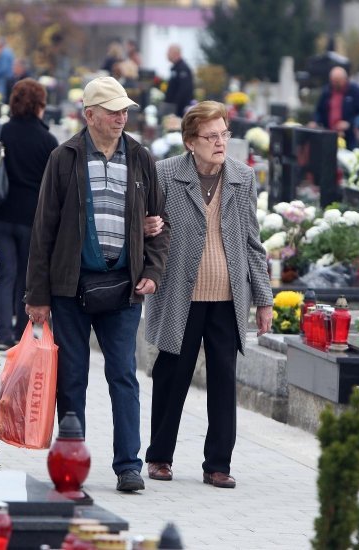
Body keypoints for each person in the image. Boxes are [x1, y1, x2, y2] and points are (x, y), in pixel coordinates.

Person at [24, 76, 170, 492]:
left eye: (125, 111)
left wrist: (152, 273)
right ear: (90, 115)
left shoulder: (140, 158)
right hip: (70, 289)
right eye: (113, 111)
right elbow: (43, 231)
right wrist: (37, 296)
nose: (122, 117)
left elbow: (161, 226)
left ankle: (128, 466)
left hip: (124, 289)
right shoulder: (64, 157)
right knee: (72, 377)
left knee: (124, 375)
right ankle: (72, 462)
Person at [144, 101, 273, 490]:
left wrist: (264, 299)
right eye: (211, 137)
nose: (220, 143)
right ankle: (160, 457)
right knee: (172, 377)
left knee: (223, 380)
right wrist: (147, 226)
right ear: (190, 142)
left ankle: (218, 464)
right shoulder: (166, 173)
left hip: (227, 297)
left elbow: (253, 242)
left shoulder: (242, 177)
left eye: (224, 135)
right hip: (177, 295)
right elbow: (150, 225)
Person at [0, 78, 58, 350]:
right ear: (40, 105)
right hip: (32, 218)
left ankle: (2, 335)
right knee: (27, 278)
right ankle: (20, 333)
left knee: (4, 274)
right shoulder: (48, 140)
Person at [313, 66, 359, 149]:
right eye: (333, 82)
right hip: (329, 135)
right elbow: (319, 110)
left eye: (338, 82)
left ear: (345, 79)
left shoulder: (356, 92)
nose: (335, 84)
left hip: (349, 137)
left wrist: (349, 123)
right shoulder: (326, 91)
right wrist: (315, 121)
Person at [164, 44, 194, 117]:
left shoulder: (183, 69)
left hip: (179, 109)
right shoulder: (175, 68)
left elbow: (184, 90)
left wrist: (175, 107)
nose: (167, 54)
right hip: (173, 107)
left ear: (176, 53)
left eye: (169, 52)